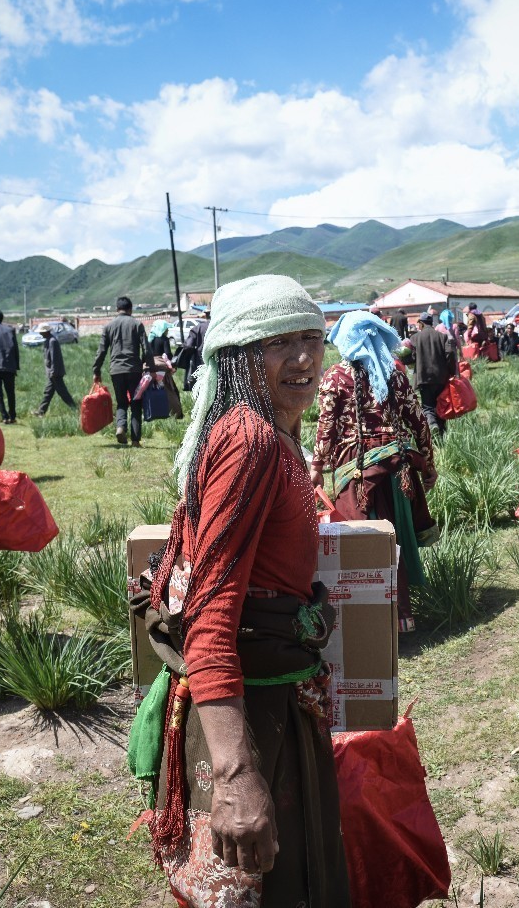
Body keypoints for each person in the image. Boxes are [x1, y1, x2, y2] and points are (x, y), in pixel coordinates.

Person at [143, 274, 349, 905]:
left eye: (311, 338)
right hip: (249, 710)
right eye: (278, 342)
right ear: (236, 355)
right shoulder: (251, 441)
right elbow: (209, 615)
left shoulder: (274, 433)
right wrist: (235, 773)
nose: (304, 359)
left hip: (274, 695)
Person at [311, 312, 438, 634]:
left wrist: (316, 469)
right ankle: (401, 618)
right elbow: (419, 421)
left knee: (363, 544)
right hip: (399, 472)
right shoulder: (395, 373)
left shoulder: (336, 377)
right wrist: (429, 467)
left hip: (357, 474)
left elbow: (325, 429)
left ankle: (367, 621)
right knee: (393, 539)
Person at [92, 296, 152, 446]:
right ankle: (136, 440)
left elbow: (101, 351)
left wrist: (96, 370)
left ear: (117, 309)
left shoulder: (108, 326)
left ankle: (120, 427)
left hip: (116, 370)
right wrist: (149, 366)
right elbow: (146, 348)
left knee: (121, 402)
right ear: (130, 309)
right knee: (136, 402)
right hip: (134, 369)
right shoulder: (137, 324)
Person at [410, 311, 456, 434]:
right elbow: (450, 353)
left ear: (421, 323)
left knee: (427, 406)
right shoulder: (442, 336)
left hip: (423, 378)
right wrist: (452, 371)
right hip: (441, 377)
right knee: (440, 405)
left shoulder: (414, 338)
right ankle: (442, 432)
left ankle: (431, 423)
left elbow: (411, 358)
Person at [147, 319, 185, 419]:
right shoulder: (164, 339)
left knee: (152, 389)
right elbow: (168, 353)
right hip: (161, 368)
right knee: (170, 390)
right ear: (162, 329)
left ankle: (152, 412)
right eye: (166, 329)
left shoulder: (149, 339)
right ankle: (176, 413)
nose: (167, 331)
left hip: (149, 368)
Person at [35, 325, 76, 415]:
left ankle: (75, 409)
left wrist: (53, 371)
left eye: (41, 332)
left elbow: (55, 358)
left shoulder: (52, 341)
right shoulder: (48, 340)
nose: (40, 333)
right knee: (48, 393)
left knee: (63, 393)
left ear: (46, 332)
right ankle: (41, 411)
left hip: (55, 373)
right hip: (52, 373)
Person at [177, 310, 210, 392]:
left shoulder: (198, 328)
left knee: (201, 389)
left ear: (205, 315)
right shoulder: (219, 327)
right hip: (218, 362)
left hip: (201, 362)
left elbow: (188, 346)